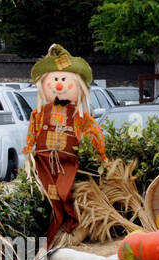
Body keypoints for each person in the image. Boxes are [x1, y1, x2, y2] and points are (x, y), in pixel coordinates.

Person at [25, 45, 107, 246]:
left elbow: (95, 133)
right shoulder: (39, 113)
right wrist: (28, 152)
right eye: (54, 80)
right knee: (49, 196)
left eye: (64, 80)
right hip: (43, 161)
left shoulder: (79, 116)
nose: (59, 85)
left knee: (64, 192)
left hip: (67, 162)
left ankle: (71, 222)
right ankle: (53, 230)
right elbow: (32, 134)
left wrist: (101, 155)